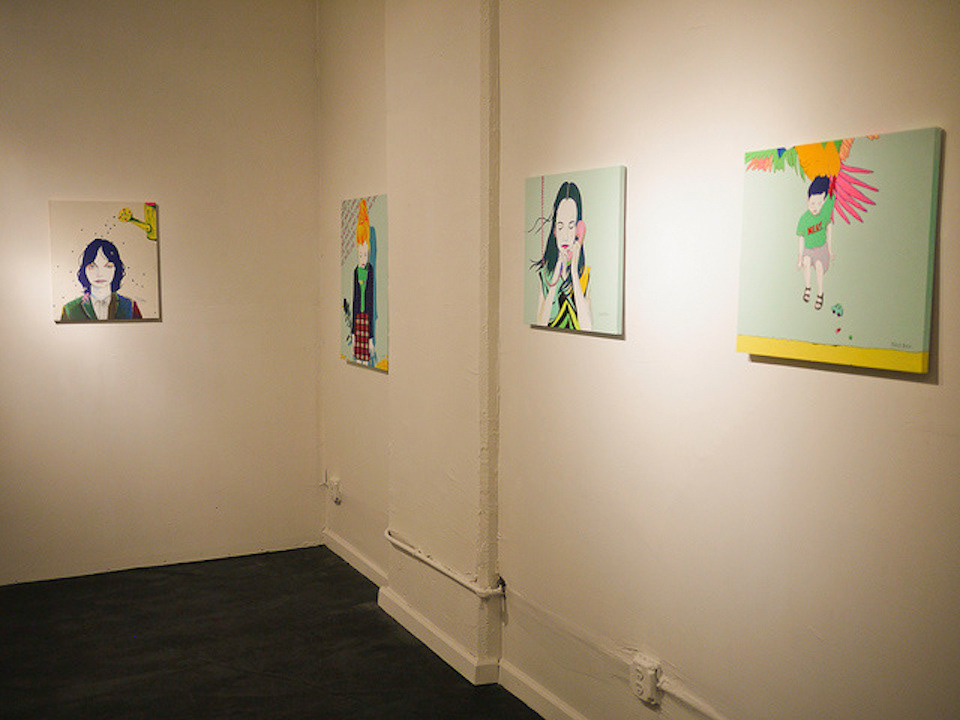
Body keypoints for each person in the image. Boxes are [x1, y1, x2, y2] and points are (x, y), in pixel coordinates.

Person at [531, 181, 592, 331]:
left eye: (571, 226)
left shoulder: (584, 275)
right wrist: (556, 272)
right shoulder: (544, 275)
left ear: (578, 230)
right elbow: (541, 323)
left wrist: (574, 274)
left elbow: (587, 326)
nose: (565, 236)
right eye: (560, 226)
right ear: (554, 231)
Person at [60, 239, 142, 322]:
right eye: (92, 266)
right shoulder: (70, 309)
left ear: (116, 269)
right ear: (84, 270)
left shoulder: (129, 306)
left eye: (108, 266)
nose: (100, 274)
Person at [796, 175, 835, 311]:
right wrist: (799, 258)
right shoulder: (804, 219)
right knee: (806, 262)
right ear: (807, 201)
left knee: (819, 266)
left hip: (821, 248)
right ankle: (808, 287)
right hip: (808, 249)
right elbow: (801, 239)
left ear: (823, 202)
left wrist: (829, 250)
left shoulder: (824, 214)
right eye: (812, 203)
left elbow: (829, 227)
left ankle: (820, 293)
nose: (815, 207)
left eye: (819, 203)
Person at [349, 200, 376, 364]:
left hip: (366, 318)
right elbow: (354, 300)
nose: (363, 259)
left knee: (365, 359)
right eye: (360, 255)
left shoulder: (370, 271)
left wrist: (371, 338)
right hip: (358, 318)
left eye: (365, 255)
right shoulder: (355, 272)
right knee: (359, 359)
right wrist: (353, 334)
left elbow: (370, 303)